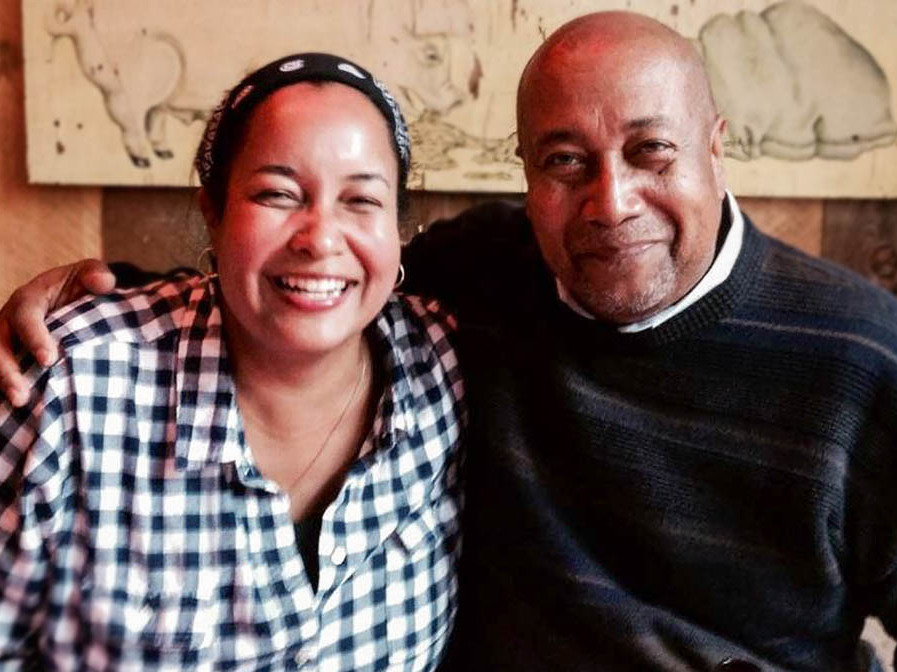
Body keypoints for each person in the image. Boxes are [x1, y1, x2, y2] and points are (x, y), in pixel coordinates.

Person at [3, 11, 897, 672]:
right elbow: (310, 287)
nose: (609, 203)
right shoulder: (480, 275)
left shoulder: (864, 356)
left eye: (650, 152)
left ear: (715, 148)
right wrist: (103, 296)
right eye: (563, 161)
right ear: (524, 176)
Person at [0, 52, 465, 670]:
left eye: (361, 200)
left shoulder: (444, 369)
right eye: (277, 194)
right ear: (213, 215)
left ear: (399, 229)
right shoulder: (74, 386)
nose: (320, 238)